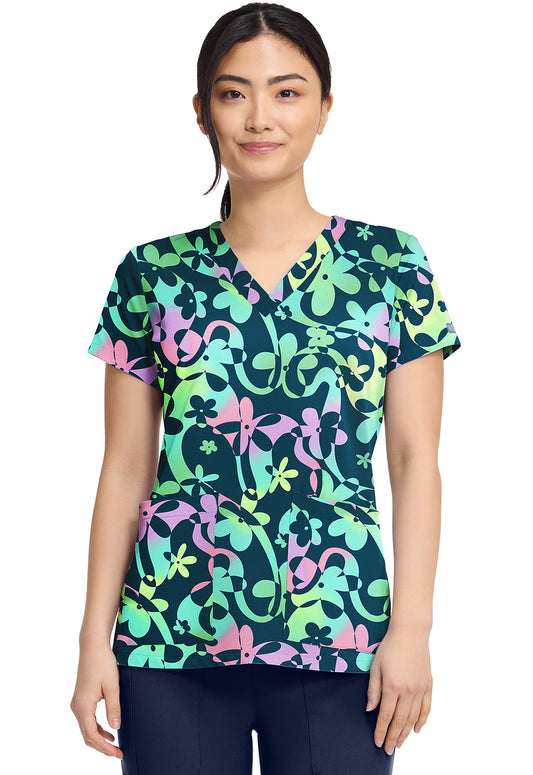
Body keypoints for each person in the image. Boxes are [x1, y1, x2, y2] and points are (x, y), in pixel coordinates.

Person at [70, 3, 462, 773]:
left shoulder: (391, 265)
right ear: (201, 111)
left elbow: (415, 459)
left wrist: (411, 629)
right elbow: (124, 467)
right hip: (169, 636)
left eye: (286, 92)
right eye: (233, 93)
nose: (259, 117)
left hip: (341, 637)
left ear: (324, 108)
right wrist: (92, 641)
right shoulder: (150, 274)